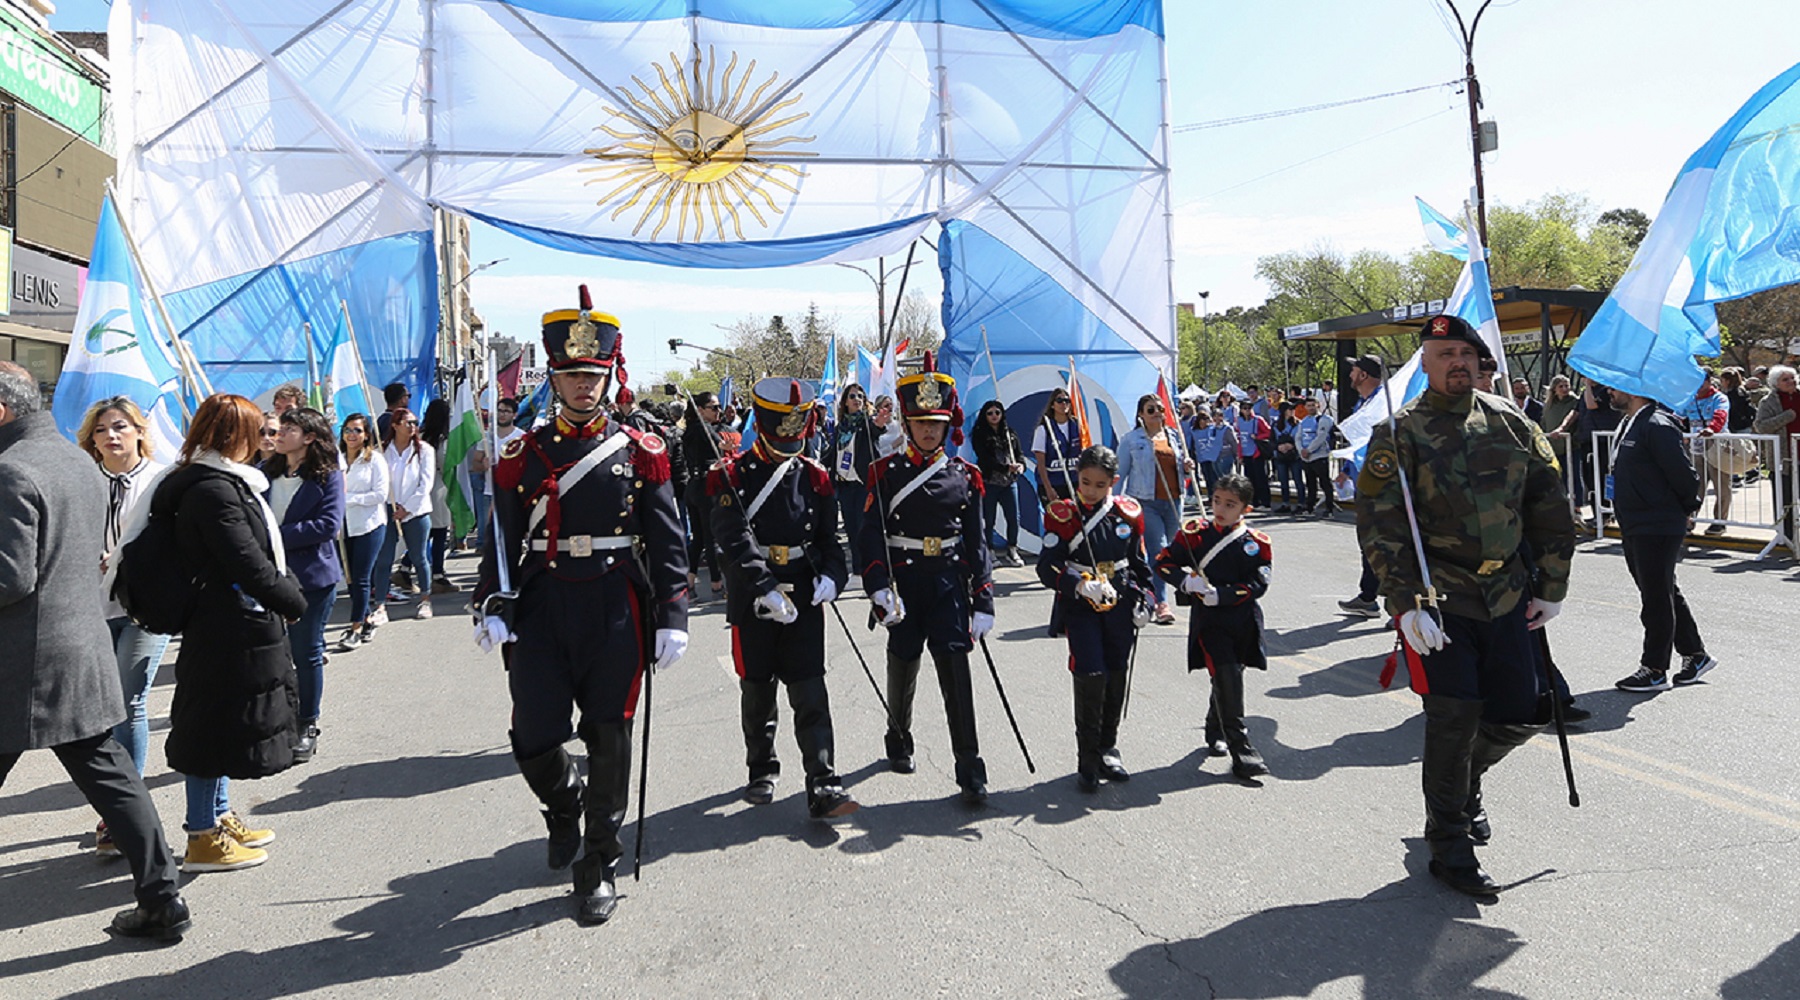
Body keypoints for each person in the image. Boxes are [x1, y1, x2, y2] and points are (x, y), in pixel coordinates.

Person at [473, 287, 689, 926]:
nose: (581, 386)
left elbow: (669, 538)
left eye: (592, 375)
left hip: (614, 605)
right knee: (533, 736)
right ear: (554, 377)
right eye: (570, 375)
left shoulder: (640, 450)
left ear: (609, 375)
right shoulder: (523, 453)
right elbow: (503, 536)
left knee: (608, 735)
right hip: (542, 606)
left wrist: (673, 614)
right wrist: (492, 600)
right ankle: (564, 803)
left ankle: (598, 860)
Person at [1357, 314, 1574, 896]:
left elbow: (1549, 506)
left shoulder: (1511, 423)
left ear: (1479, 362)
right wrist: (1403, 604)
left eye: (1464, 352)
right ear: (1424, 365)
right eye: (1442, 352)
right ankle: (1448, 842)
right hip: (1440, 601)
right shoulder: (1400, 433)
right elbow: (1381, 526)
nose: (1456, 361)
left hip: (1506, 596)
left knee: (1519, 713)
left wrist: (1551, 587)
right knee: (1453, 721)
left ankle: (1464, 784)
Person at [0, 364, 191, 939]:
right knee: (110, 774)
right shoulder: (72, 460)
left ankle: (161, 898)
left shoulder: (12, 470)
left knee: (109, 774)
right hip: (73, 648)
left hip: (28, 661)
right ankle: (162, 898)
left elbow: (11, 578)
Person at [128, 393, 308, 874]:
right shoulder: (212, 489)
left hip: (231, 619)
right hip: (224, 623)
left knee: (225, 723)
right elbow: (244, 558)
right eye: (260, 432)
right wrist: (290, 599)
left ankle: (219, 816)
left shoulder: (222, 481)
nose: (267, 440)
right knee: (210, 728)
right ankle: (203, 834)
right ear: (235, 436)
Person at [707, 378, 859, 820]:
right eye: (782, 436)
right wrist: (765, 587)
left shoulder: (814, 475)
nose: (790, 444)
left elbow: (830, 540)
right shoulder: (732, 475)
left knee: (810, 689)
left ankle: (823, 782)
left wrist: (834, 575)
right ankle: (761, 767)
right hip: (756, 595)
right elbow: (731, 537)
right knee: (758, 688)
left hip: (805, 592)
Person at [860, 352, 995, 804]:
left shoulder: (966, 476)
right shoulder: (884, 473)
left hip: (948, 585)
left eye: (937, 422)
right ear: (907, 422)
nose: (929, 430)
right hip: (904, 583)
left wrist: (984, 597)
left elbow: (976, 542)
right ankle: (898, 736)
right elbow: (870, 534)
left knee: (956, 671)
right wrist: (878, 586)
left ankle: (970, 764)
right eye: (921, 422)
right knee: (903, 662)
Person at [78, 398, 170, 857]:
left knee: (129, 702)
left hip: (145, 607)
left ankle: (120, 816)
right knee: (104, 706)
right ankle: (124, 807)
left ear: (138, 430)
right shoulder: (83, 479)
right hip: (94, 607)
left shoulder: (161, 479)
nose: (111, 436)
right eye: (101, 430)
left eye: (120, 427)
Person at [1037, 445, 1154, 790]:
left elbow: (1139, 565)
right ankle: (1087, 758)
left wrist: (1145, 600)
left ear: (1114, 483)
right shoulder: (1063, 514)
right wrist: (1077, 586)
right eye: (1085, 482)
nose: (1090, 491)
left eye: (1100, 485)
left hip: (1120, 602)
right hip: (1082, 604)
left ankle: (1108, 746)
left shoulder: (1128, 514)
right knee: (1090, 673)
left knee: (1116, 670)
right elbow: (1047, 566)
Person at [1154, 474, 1274, 781]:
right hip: (1210, 622)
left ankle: (1214, 725)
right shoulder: (1195, 534)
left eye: (1230, 504)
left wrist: (1221, 594)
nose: (1220, 509)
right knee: (1226, 673)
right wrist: (1185, 581)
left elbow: (1258, 582)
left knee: (1229, 676)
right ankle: (1242, 749)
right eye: (1216, 501)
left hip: (1242, 619)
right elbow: (1163, 562)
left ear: (1245, 509)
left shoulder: (1255, 543)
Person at [1608, 387, 1719, 693]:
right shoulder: (1630, 422)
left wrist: (1687, 509)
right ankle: (1696, 655)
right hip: (1636, 521)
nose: (1608, 390)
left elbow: (1685, 476)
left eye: (1614, 385)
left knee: (1655, 598)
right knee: (1662, 589)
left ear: (1633, 390)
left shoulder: (1657, 424)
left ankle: (1655, 668)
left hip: (1657, 523)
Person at [263, 407, 346, 763]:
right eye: (278, 428)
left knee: (306, 652)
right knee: (273, 653)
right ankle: (279, 719)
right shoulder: (264, 472)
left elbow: (328, 525)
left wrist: (273, 537)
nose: (278, 434)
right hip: (267, 578)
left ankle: (308, 723)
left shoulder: (328, 476)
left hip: (311, 578)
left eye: (289, 429)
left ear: (309, 437)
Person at [1116, 394, 1188, 624]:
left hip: (1174, 501)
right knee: (1159, 550)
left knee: (1174, 552)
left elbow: (1182, 469)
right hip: (1146, 502)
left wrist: (1188, 467)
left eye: (1160, 408)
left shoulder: (1174, 437)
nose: (1157, 412)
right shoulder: (1131, 440)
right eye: (1151, 409)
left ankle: (1144, 590)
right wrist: (1113, 505)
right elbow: (1120, 475)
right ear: (1141, 415)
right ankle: (1160, 602)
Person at [1336, 356, 1387, 618]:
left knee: (1385, 543)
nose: (1350, 374)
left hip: (1382, 486)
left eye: (1354, 370)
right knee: (1367, 542)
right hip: (1362, 483)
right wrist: (1346, 471)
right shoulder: (1362, 403)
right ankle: (1368, 597)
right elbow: (1358, 443)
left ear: (1364, 375)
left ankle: (1400, 607)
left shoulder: (1384, 402)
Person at [336, 413, 390, 650]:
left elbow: (380, 494)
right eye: (347, 430)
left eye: (357, 430)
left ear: (366, 434)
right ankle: (367, 619)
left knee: (361, 577)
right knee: (350, 579)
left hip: (369, 525)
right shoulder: (336, 460)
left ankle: (355, 627)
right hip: (342, 527)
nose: (351, 435)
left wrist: (349, 499)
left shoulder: (374, 460)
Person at [379, 406, 436, 617]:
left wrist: (407, 508)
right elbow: (381, 481)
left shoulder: (425, 450)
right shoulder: (383, 450)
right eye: (407, 423)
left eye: (415, 422)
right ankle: (380, 604)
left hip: (416, 511)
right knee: (384, 559)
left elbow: (425, 484)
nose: (413, 427)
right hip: (388, 510)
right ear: (395, 425)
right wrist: (391, 507)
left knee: (418, 556)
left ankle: (425, 599)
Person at [823, 383, 878, 574]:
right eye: (853, 396)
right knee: (851, 529)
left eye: (861, 397)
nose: (857, 400)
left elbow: (876, 432)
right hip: (844, 486)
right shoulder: (840, 428)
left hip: (862, 485)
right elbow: (832, 455)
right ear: (845, 402)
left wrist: (878, 425)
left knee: (864, 529)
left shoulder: (866, 424)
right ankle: (857, 568)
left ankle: (869, 569)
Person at [970, 399, 1029, 567]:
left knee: (1013, 517)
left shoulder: (1010, 433)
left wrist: (1021, 466)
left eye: (997, 412)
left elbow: (1019, 453)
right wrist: (1005, 468)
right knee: (989, 519)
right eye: (990, 413)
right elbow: (984, 459)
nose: (994, 416)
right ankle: (990, 551)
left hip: (1009, 482)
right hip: (990, 481)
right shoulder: (980, 433)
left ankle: (1012, 549)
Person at [681, 391, 726, 600]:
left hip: (693, 486)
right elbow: (720, 450)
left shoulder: (690, 429)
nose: (719, 411)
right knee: (710, 536)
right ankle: (716, 583)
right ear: (700, 410)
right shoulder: (704, 430)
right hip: (706, 487)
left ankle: (689, 582)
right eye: (714, 407)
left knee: (698, 537)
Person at [1751, 365, 1799, 545]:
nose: (1790, 382)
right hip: (1783, 460)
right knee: (1785, 499)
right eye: (1785, 379)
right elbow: (1761, 426)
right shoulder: (1768, 401)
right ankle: (1787, 537)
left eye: (1792, 378)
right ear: (1775, 383)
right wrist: (1788, 416)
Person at [419, 399, 460, 593]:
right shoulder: (440, 440)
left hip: (424, 489)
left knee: (426, 533)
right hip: (437, 488)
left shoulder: (420, 436)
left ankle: (408, 567)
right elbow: (445, 464)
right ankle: (437, 574)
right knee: (437, 532)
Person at [1031, 387, 1082, 506]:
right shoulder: (1044, 429)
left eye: (1066, 400)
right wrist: (1048, 489)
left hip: (1074, 483)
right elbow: (1041, 464)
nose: (1063, 403)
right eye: (1059, 400)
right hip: (1053, 483)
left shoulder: (1077, 427)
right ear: (1052, 405)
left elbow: (1084, 455)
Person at [1296, 396, 1338, 516]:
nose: (1310, 408)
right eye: (1308, 406)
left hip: (1319, 456)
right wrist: (1301, 451)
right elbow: (1298, 437)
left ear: (1318, 405)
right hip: (1306, 458)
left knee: (1325, 483)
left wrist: (1309, 450)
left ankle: (1329, 509)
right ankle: (1310, 508)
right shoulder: (1303, 421)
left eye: (1313, 405)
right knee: (1310, 483)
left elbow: (1321, 436)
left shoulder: (1324, 419)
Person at [1232, 399, 1272, 509]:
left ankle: (1265, 502)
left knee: (1261, 478)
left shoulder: (1258, 420)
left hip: (1256, 452)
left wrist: (1258, 437)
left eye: (1249, 408)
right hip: (1245, 453)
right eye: (1245, 408)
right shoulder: (1238, 421)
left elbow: (1268, 432)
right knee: (1249, 480)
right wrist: (1240, 455)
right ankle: (1254, 501)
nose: (1247, 410)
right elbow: (1239, 439)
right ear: (1241, 410)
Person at [1185, 405, 1226, 494]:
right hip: (1201, 457)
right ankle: (1210, 495)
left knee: (1214, 477)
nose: (1206, 422)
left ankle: (1215, 495)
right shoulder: (1193, 430)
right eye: (1204, 419)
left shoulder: (1211, 429)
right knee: (1206, 476)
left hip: (1212, 457)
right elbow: (1191, 443)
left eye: (1207, 419)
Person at [1269, 401, 1301, 512]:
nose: (1292, 411)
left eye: (1293, 409)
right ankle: (1285, 503)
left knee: (1298, 480)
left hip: (1294, 456)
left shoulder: (1298, 424)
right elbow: (1271, 440)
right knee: (1283, 480)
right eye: (1289, 409)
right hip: (1280, 456)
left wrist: (1292, 445)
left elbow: (1301, 439)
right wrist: (1278, 447)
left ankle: (1301, 503)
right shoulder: (1275, 424)